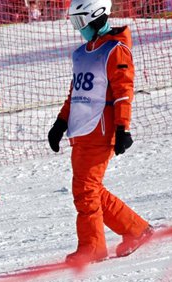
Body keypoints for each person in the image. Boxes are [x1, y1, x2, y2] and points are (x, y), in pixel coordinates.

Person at [47, 0, 154, 264]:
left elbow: (123, 92)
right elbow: (76, 93)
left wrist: (122, 127)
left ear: (95, 18)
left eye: (79, 23)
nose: (77, 29)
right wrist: (60, 123)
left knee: (85, 190)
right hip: (80, 130)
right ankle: (137, 230)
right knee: (89, 189)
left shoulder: (115, 51)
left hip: (101, 128)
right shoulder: (81, 53)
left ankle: (92, 246)